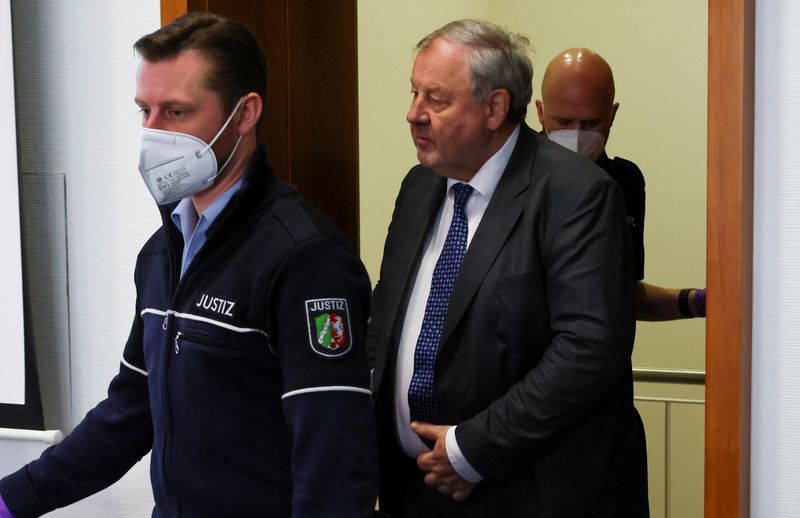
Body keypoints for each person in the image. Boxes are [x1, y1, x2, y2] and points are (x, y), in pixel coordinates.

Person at [0, 12, 377, 518]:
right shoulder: (162, 251)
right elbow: (131, 411)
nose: (153, 134)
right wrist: (12, 498)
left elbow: (332, 462)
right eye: (145, 111)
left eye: (176, 113)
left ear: (244, 114)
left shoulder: (304, 258)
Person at [368, 19, 649, 517]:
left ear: (495, 107)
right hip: (413, 491)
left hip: (522, 490)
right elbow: (387, 319)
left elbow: (587, 350)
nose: (413, 115)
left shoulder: (576, 193)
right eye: (414, 93)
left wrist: (471, 449)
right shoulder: (419, 187)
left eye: (436, 99)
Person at [536, 47, 707, 322]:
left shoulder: (625, 181)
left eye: (591, 123)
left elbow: (623, 296)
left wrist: (695, 302)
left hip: (607, 360)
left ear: (612, 114)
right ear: (541, 112)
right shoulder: (513, 178)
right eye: (564, 121)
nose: (577, 134)